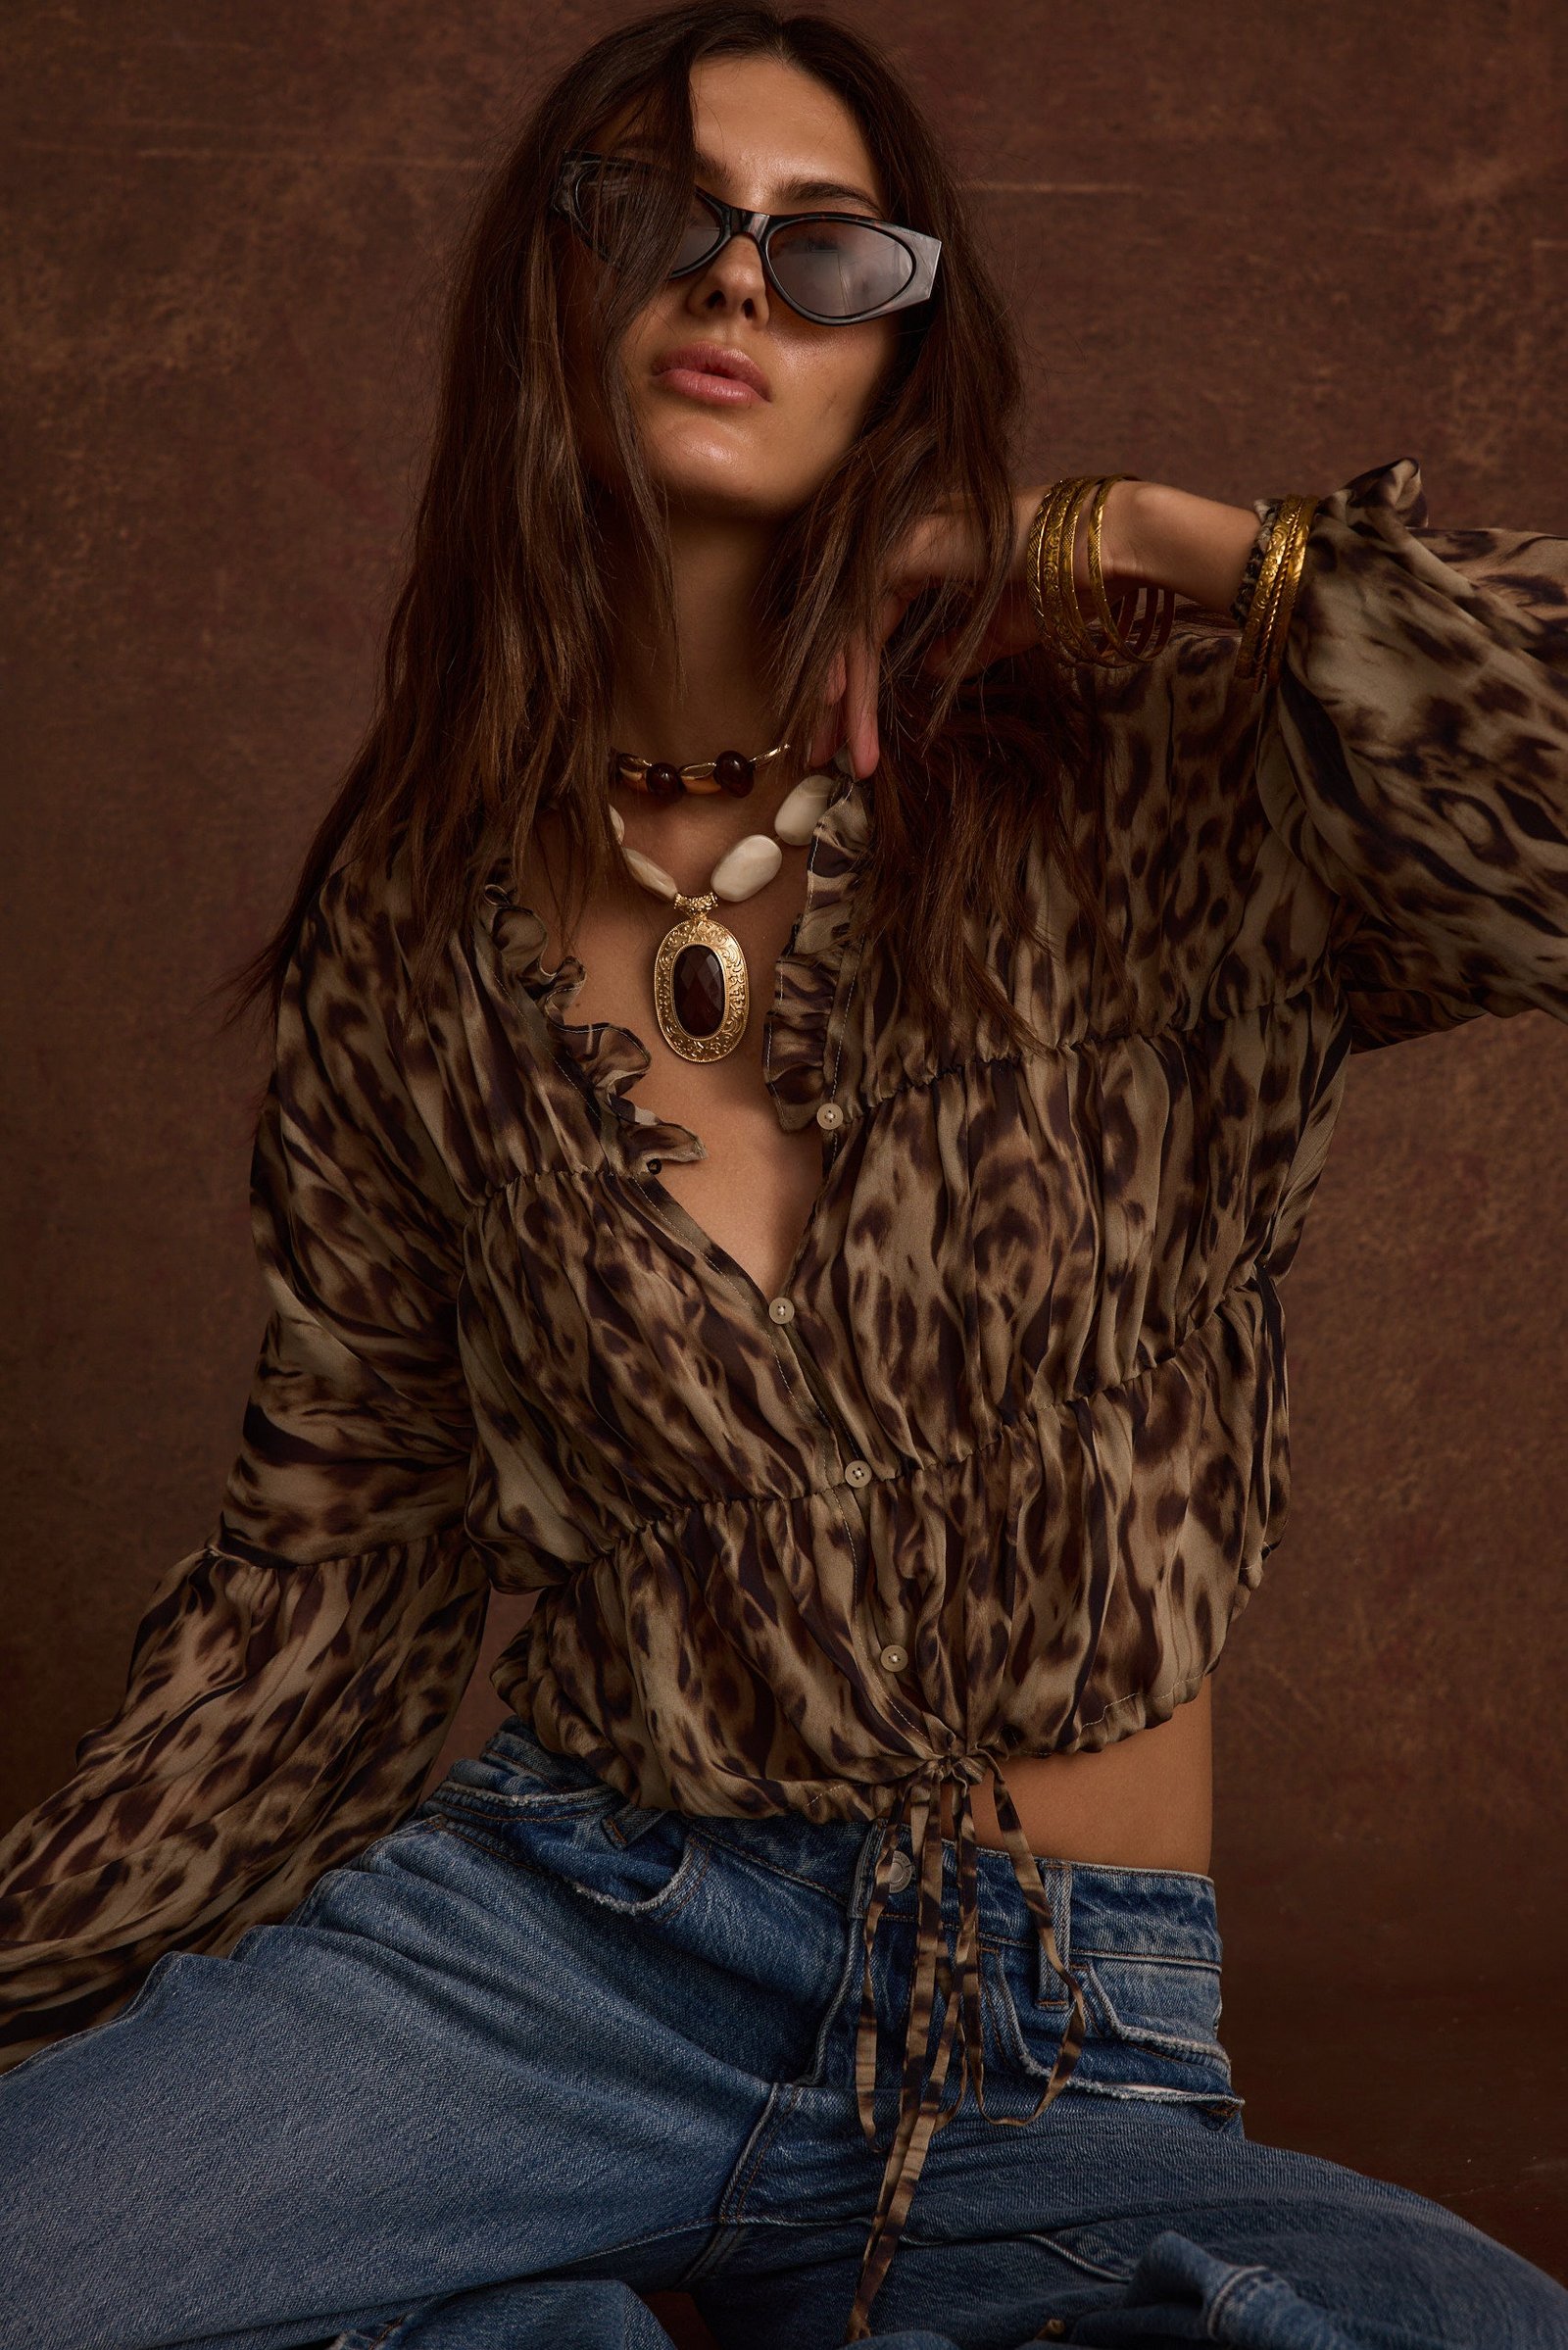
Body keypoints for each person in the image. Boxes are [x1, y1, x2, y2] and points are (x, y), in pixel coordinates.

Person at [1, 6, 1565, 2347]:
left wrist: (1152, 538)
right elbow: (326, 1578)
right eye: (656, 212)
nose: (734, 277)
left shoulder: (1140, 758)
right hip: (564, 1954)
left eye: (827, 249)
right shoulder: (410, 927)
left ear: (901, 350)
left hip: (1048, 2032)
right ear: (547, 283)